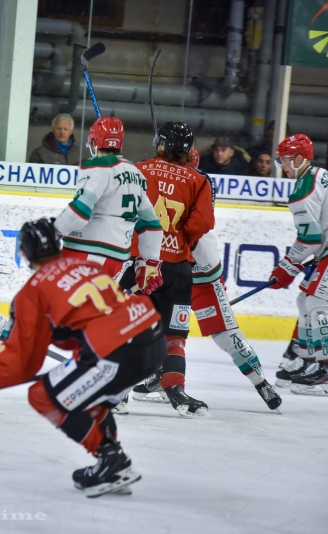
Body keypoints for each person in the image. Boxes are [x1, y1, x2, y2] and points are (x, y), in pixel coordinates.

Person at [0, 218, 166, 497]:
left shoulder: (33, 291)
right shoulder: (88, 267)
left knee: (43, 395)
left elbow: (23, 362)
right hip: (153, 340)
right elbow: (85, 324)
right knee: (90, 397)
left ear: (24, 252)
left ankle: (112, 461)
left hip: (117, 351)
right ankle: (109, 463)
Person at [121, 122, 215, 416]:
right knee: (174, 336)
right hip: (177, 270)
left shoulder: (140, 169)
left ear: (160, 143)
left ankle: (117, 395)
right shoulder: (199, 180)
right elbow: (203, 224)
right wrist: (179, 239)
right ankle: (175, 389)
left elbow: (123, 211)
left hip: (142, 265)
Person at [187, 148, 282, 410]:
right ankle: (162, 376)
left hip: (198, 269)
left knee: (226, 334)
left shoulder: (195, 183)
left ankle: (261, 381)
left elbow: (196, 224)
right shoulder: (185, 180)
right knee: (160, 328)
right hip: (178, 265)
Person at [53, 116, 163, 283]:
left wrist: (54, 230)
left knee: (61, 305)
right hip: (117, 260)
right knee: (96, 308)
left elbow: (79, 212)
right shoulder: (136, 173)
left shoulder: (97, 166)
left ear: (94, 141)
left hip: (86, 254)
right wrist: (149, 264)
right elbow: (151, 226)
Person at [266, 134, 328, 396]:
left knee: (317, 302)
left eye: (284, 160)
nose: (283, 166)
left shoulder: (302, 191)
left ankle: (325, 369)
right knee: (305, 300)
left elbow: (310, 239)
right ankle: (308, 359)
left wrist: (286, 268)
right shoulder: (319, 173)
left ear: (300, 159)